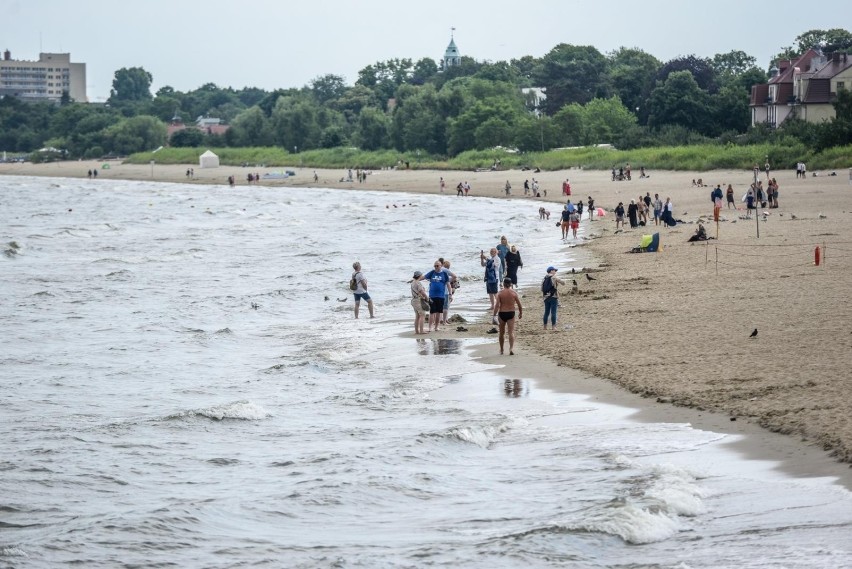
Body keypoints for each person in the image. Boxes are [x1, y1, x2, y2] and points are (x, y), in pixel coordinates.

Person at [493, 278, 522, 355]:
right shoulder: (514, 293)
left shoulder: (500, 293)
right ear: (511, 284)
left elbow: (497, 306)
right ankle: (511, 348)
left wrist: (494, 315)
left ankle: (502, 349)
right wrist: (520, 313)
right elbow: (519, 305)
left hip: (502, 313)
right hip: (511, 313)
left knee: (501, 333)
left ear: (503, 284)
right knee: (511, 332)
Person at [421, 261, 452, 332]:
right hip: (432, 296)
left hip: (441, 296)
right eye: (435, 266)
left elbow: (448, 285)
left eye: (437, 266)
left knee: (438, 312)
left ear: (441, 266)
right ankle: (430, 327)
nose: (436, 267)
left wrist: (450, 294)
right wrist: (416, 280)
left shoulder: (444, 274)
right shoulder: (432, 273)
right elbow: (424, 277)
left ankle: (436, 327)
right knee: (432, 312)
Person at [541, 266, 565, 330]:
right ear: (551, 271)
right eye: (554, 270)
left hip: (546, 297)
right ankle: (554, 327)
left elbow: (541, 289)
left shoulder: (544, 278)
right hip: (553, 297)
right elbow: (563, 282)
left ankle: (545, 327)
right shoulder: (554, 277)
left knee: (546, 312)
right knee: (553, 312)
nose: (555, 272)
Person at [480, 248, 500, 312]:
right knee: (490, 292)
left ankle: (499, 304)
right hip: (488, 277)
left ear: (496, 252)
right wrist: (482, 259)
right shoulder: (491, 259)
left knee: (495, 292)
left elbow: (494, 265)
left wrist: (485, 258)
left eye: (493, 251)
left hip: (494, 277)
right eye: (491, 251)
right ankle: (492, 305)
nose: (492, 252)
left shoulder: (497, 258)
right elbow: (483, 265)